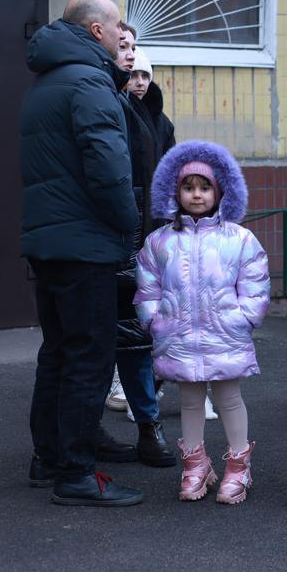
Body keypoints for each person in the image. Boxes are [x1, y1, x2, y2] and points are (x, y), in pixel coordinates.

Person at [20, 0, 143, 507]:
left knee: (59, 350)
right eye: (118, 27)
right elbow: (108, 166)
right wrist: (130, 226)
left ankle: (49, 457)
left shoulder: (46, 81)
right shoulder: (90, 81)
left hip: (49, 239)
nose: (123, 35)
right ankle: (76, 472)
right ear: (97, 31)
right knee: (90, 355)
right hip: (86, 243)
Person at [135, 140, 270, 504]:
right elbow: (148, 286)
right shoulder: (160, 241)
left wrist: (243, 320)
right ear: (175, 191)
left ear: (220, 190)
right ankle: (194, 465)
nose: (196, 195)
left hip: (225, 335)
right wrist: (155, 322)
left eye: (205, 187)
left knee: (228, 397)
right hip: (177, 337)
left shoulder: (239, 239)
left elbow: (255, 286)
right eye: (188, 187)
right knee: (190, 401)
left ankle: (238, 465)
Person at [103, 24, 175, 468]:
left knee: (133, 336)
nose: (131, 58)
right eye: (123, 47)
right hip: (114, 239)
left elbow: (155, 180)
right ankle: (94, 431)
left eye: (134, 49)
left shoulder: (142, 112)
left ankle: (148, 424)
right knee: (104, 339)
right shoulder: (108, 101)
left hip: (138, 239)